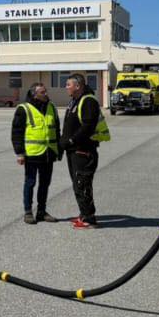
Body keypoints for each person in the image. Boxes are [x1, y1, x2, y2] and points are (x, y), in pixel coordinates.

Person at [61, 74, 110, 229]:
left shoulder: (88, 100)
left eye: (68, 84)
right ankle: (84, 214)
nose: (66, 87)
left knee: (83, 184)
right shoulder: (75, 100)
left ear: (78, 85)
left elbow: (88, 126)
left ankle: (89, 218)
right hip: (74, 151)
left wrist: (71, 140)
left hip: (83, 151)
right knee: (78, 184)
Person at [10, 82, 61, 224]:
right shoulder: (23, 109)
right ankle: (28, 212)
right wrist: (20, 153)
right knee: (30, 183)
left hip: (48, 153)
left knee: (45, 184)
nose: (46, 94)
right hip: (32, 154)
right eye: (42, 92)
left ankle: (42, 211)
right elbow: (16, 133)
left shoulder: (51, 107)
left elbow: (56, 130)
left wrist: (58, 149)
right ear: (34, 94)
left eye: (46, 91)